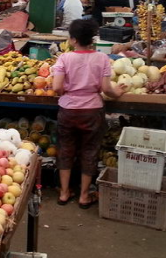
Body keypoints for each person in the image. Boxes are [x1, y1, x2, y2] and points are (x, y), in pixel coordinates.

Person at [52, 19, 126, 208]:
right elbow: (106, 89)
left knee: (66, 149)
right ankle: (84, 196)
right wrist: (118, 92)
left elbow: (56, 87)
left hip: (68, 111)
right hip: (92, 111)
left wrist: (68, 92)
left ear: (73, 40)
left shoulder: (64, 58)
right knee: (90, 151)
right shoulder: (102, 58)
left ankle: (63, 192)